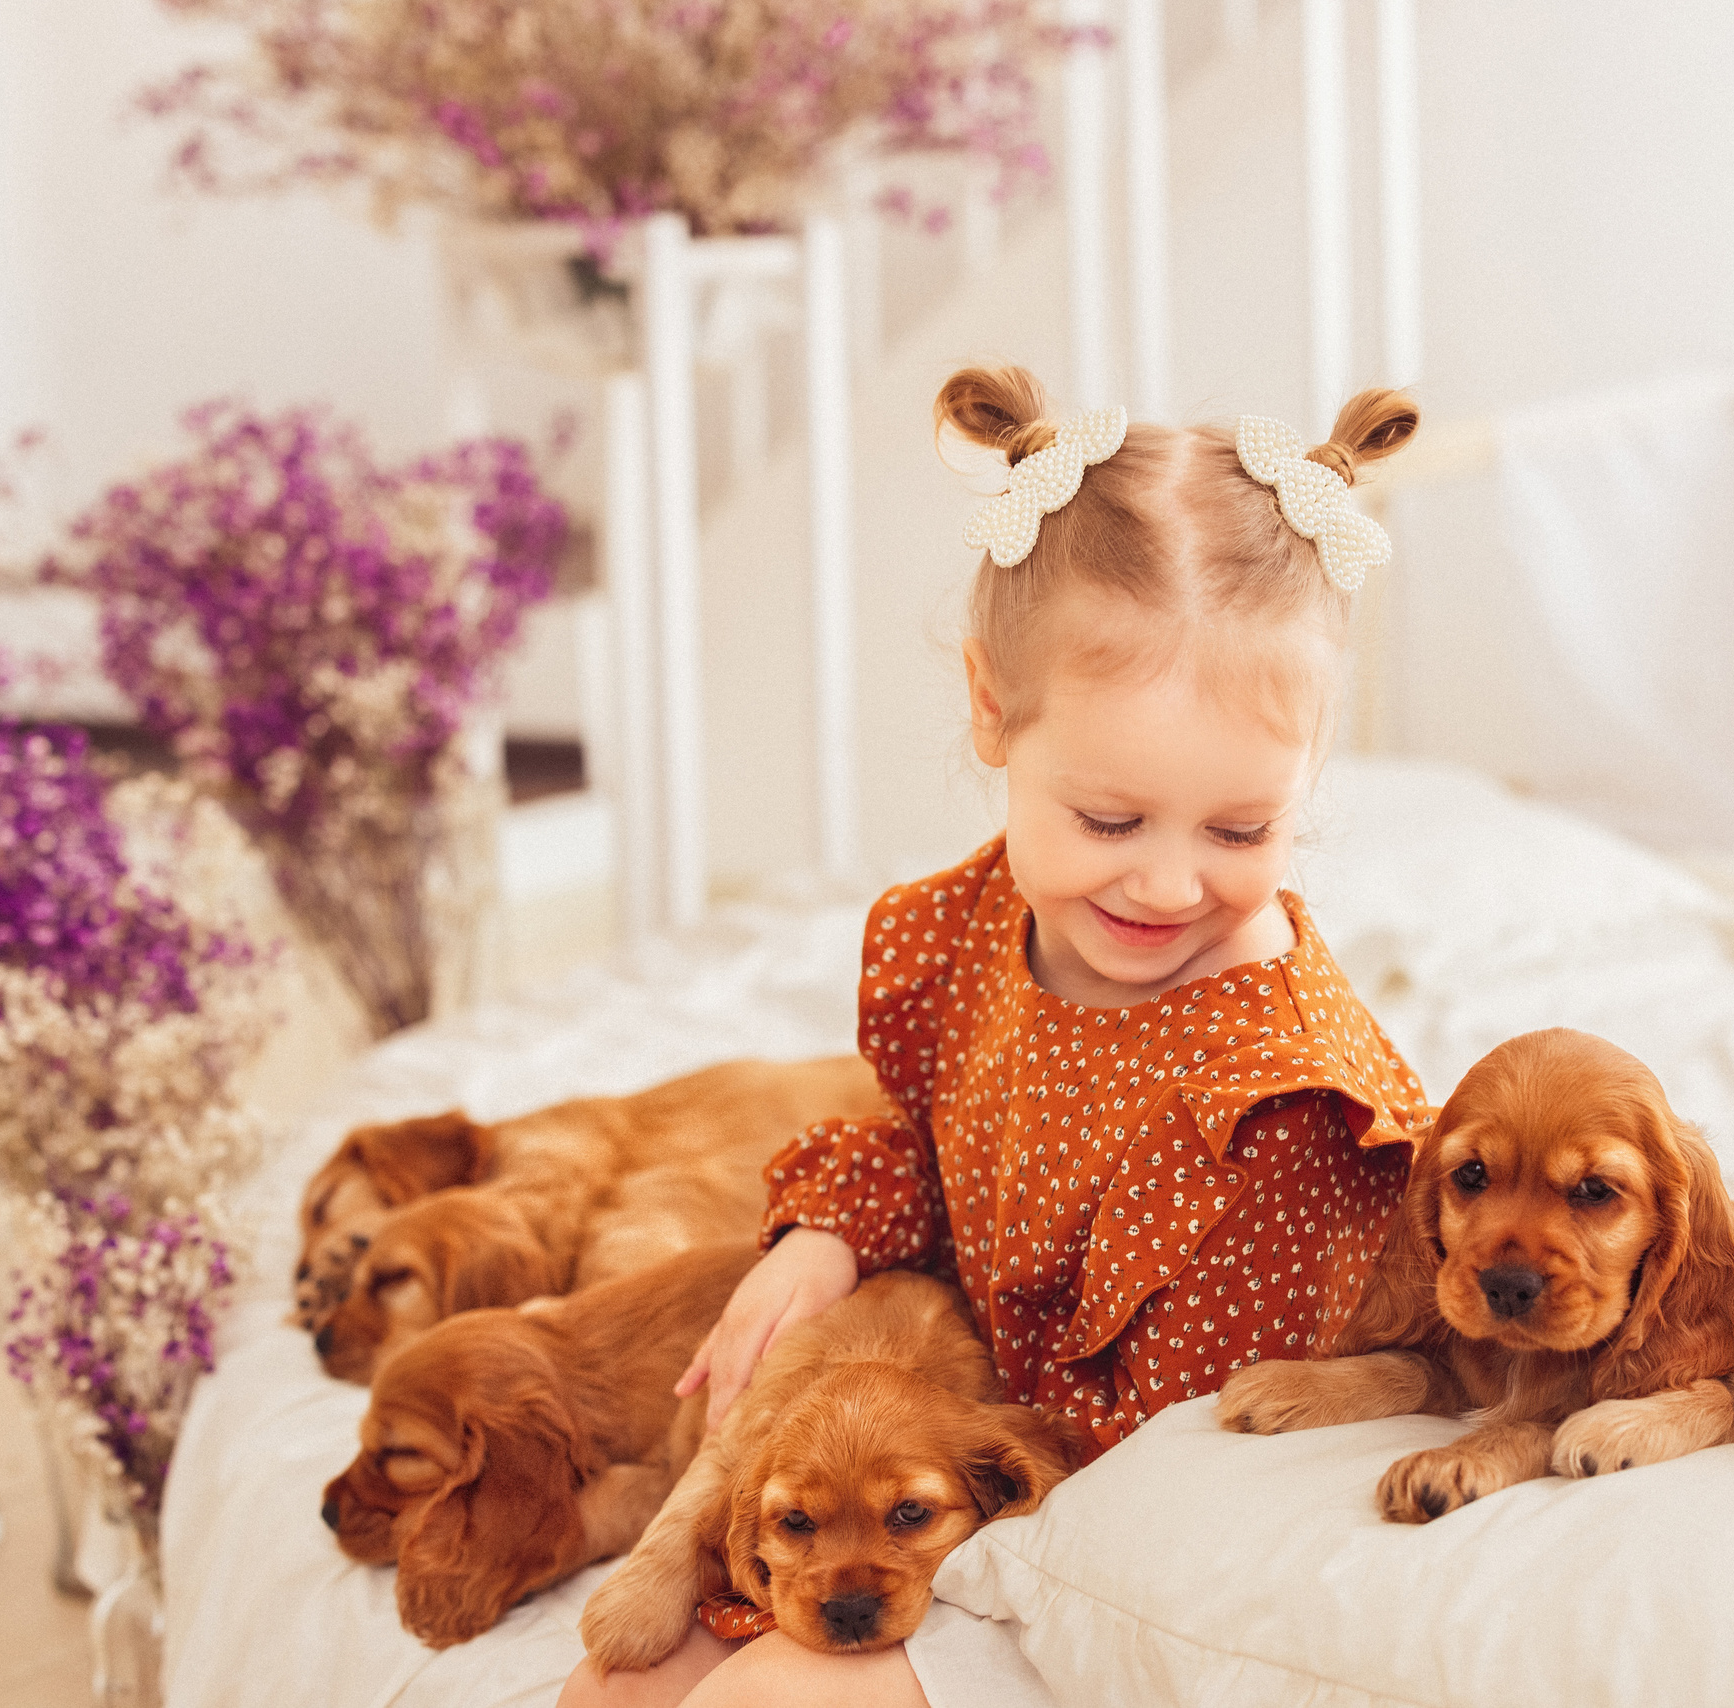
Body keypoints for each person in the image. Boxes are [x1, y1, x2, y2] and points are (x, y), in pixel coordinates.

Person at [558, 365, 1429, 1708]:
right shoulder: (978, 929)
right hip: (996, 1453)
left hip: (1130, 1525)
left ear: (1311, 773)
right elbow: (950, 1150)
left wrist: (937, 1531)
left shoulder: (1281, 1106)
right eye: (1109, 820)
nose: (1165, 884)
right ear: (989, 710)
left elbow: (1174, 1472)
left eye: (1242, 831)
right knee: (610, 1687)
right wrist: (831, 1233)